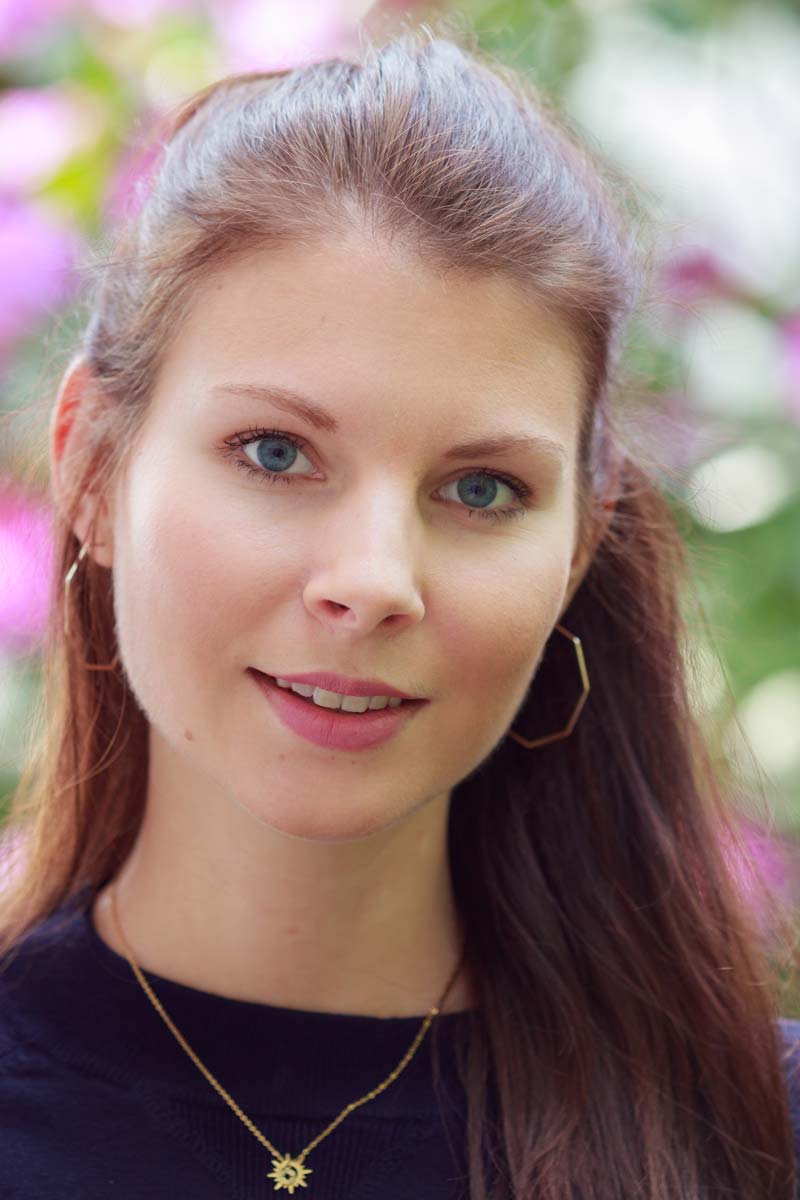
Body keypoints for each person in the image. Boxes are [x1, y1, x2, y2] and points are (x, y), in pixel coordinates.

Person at [0, 22, 798, 1200]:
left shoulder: (755, 1137)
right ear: (91, 469)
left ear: (579, 544)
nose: (374, 579)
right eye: (275, 452)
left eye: (481, 490)